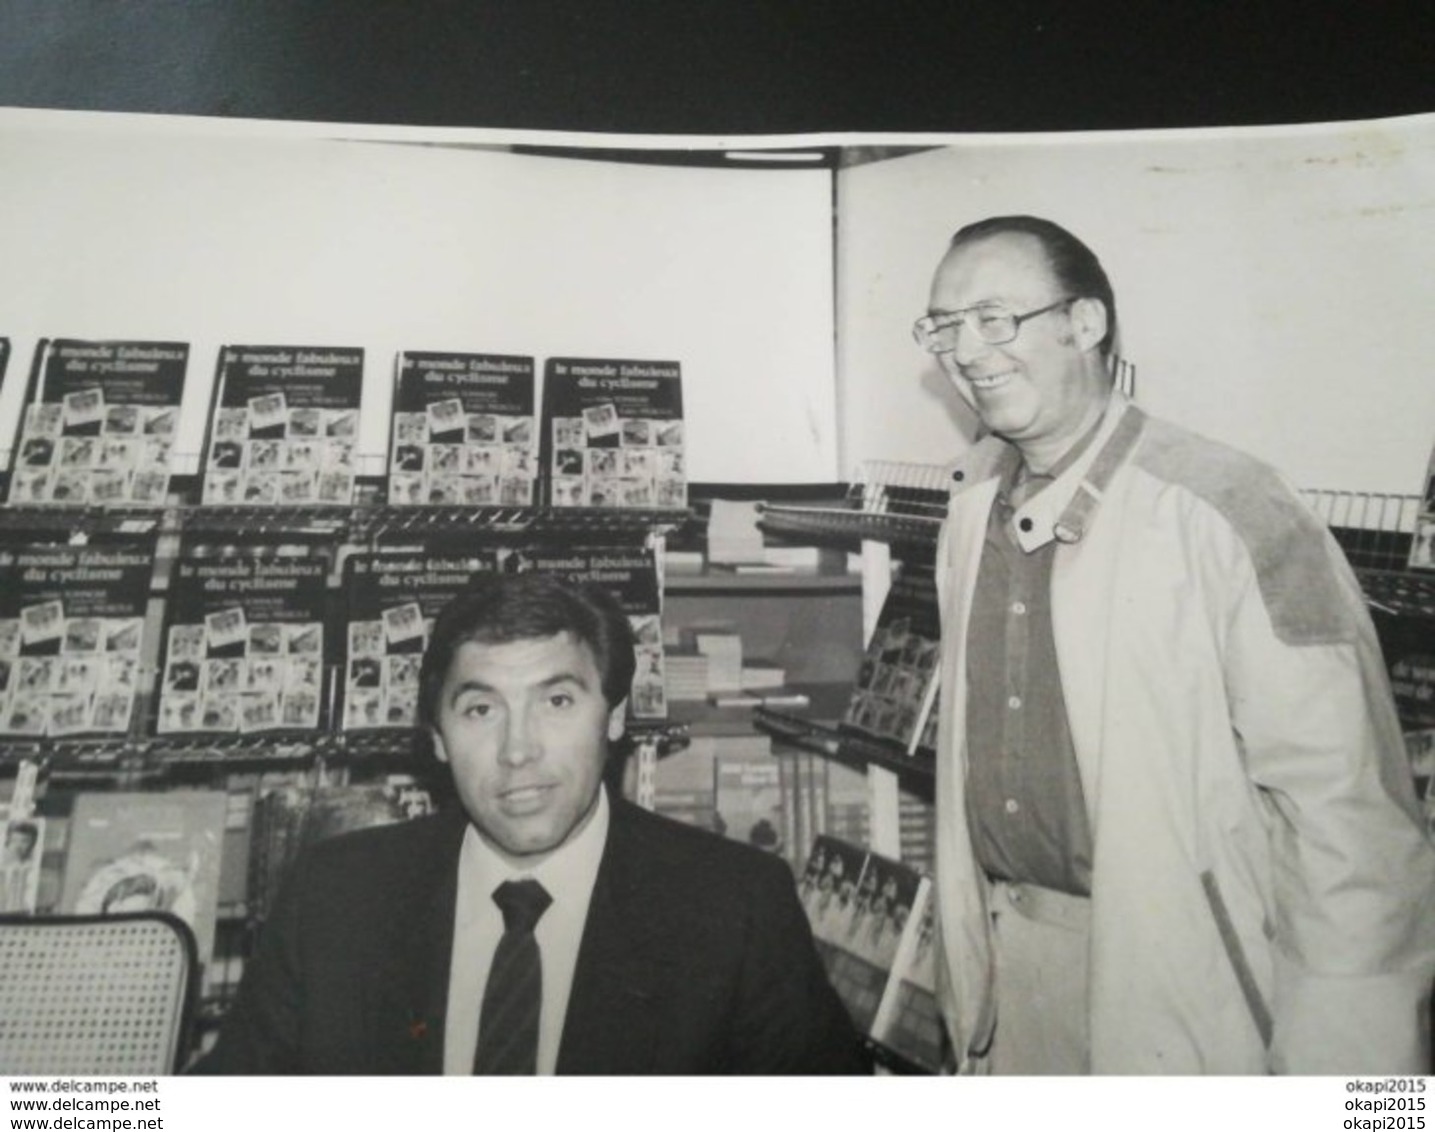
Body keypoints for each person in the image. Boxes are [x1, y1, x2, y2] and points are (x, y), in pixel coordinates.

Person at [914, 214, 1435, 1075]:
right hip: (1010, 980)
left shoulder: (1230, 507)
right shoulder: (970, 509)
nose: (967, 350)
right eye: (943, 325)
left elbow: (1348, 826)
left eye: (995, 318)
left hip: (1194, 989)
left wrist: (1362, 1100)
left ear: (1085, 323)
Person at [196, 572, 866, 1075]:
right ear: (436, 736)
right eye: (480, 710)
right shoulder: (336, 896)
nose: (519, 750)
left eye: (556, 700)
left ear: (614, 717)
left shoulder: (734, 906)